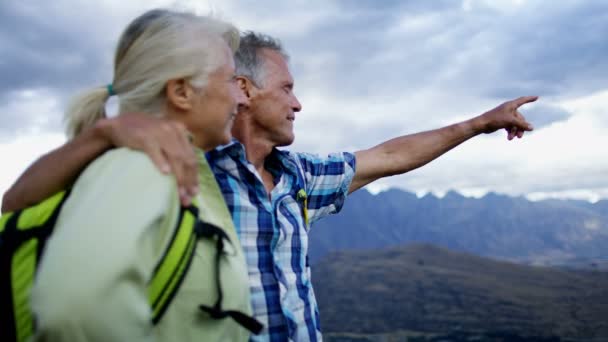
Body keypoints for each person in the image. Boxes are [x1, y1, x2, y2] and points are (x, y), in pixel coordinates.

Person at [2, 31, 537, 341]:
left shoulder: (299, 177)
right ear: (244, 90)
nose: (299, 103)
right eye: (287, 88)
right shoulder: (184, 168)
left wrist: (477, 124)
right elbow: (18, 203)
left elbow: (391, 156)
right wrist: (105, 134)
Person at [20, 9, 260, 342]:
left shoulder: (162, 167)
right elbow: (75, 313)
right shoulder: (146, 167)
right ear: (182, 92)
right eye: (231, 79)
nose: (241, 97)